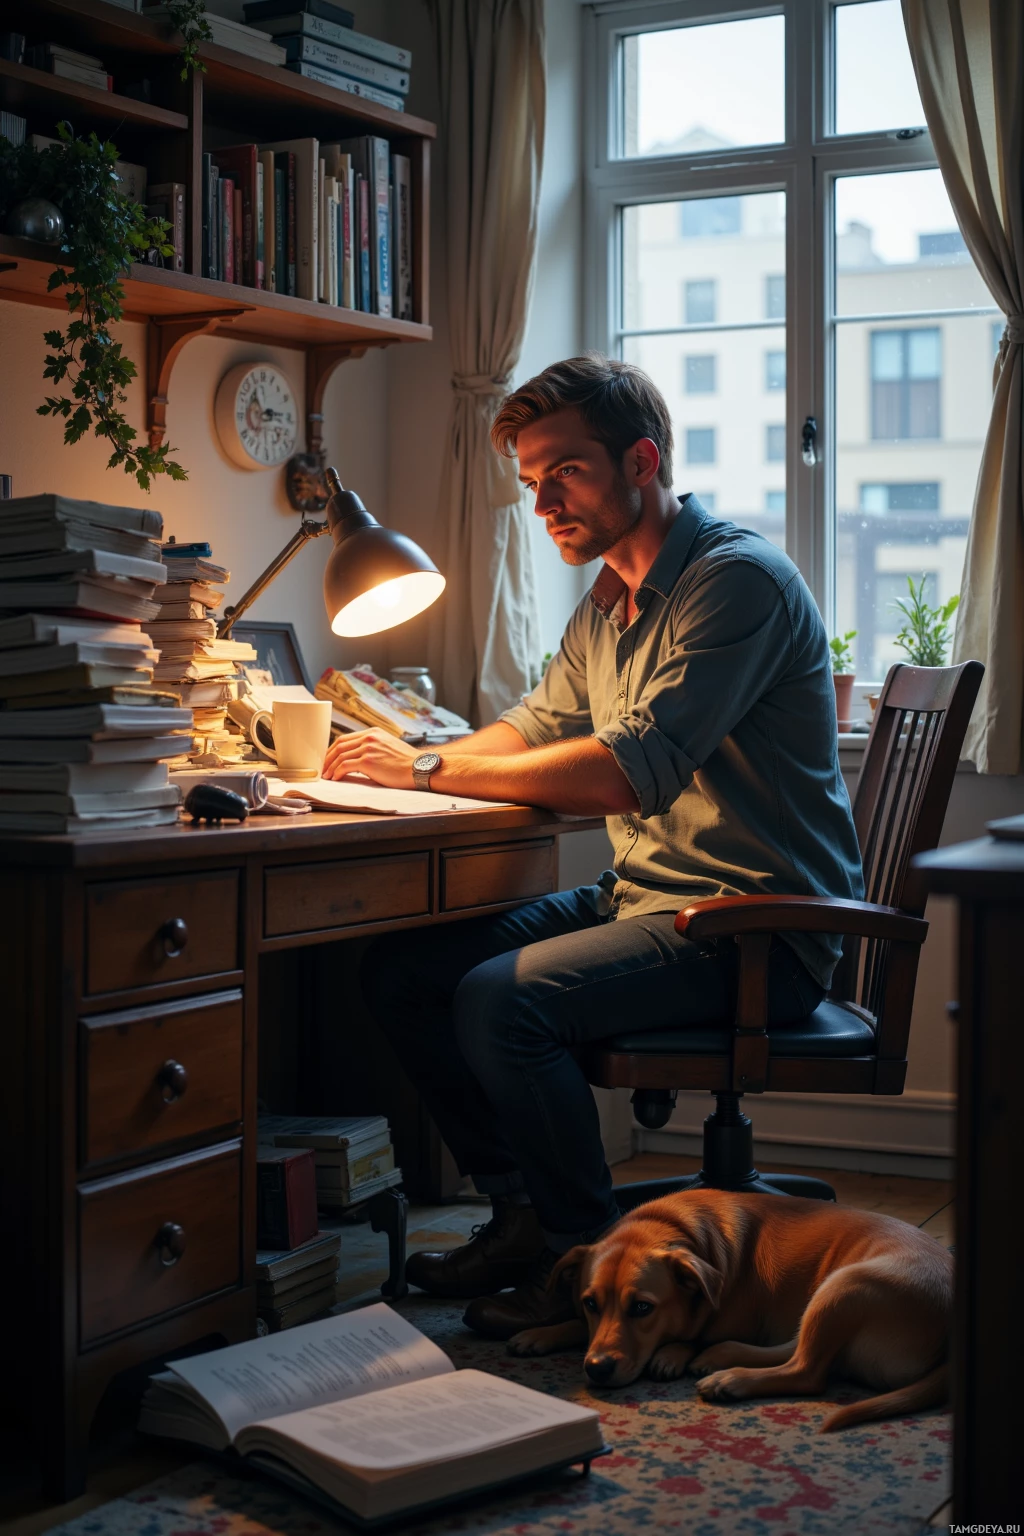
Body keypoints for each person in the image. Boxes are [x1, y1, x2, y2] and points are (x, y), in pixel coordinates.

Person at [322, 355, 863, 1339]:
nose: (542, 505)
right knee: (405, 975)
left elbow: (625, 771)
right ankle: (524, 1217)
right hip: (650, 900)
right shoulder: (613, 596)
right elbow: (534, 725)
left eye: (564, 473)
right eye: (532, 481)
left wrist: (428, 772)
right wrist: (409, 759)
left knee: (503, 1001)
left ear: (641, 462)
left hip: (756, 927)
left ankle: (581, 1264)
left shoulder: (734, 581)